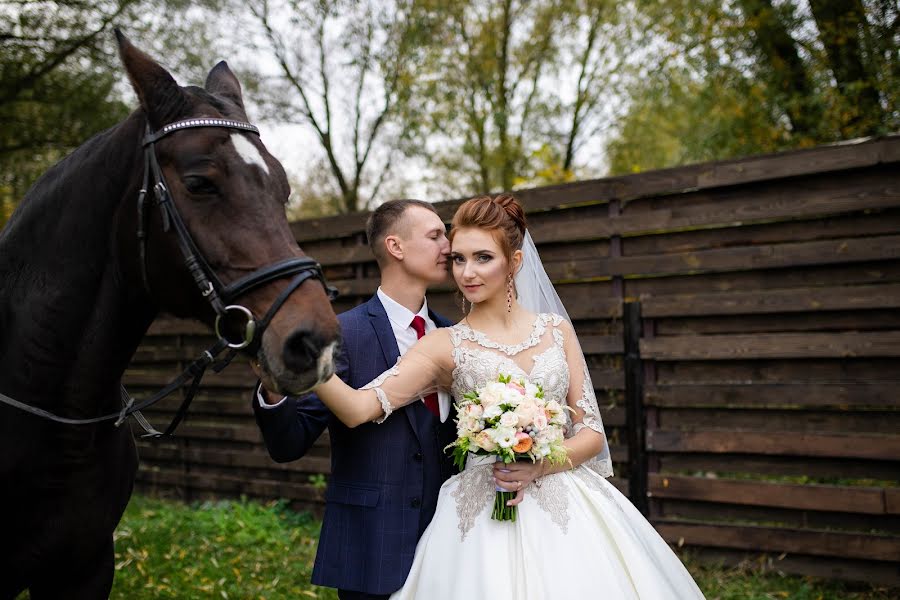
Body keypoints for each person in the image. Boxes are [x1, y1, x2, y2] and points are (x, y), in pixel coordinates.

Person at [311, 194, 706, 599]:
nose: (468, 272)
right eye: (459, 259)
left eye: (483, 257)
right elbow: (359, 408)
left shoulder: (556, 331)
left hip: (566, 504)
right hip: (479, 515)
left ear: (514, 262)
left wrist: (539, 467)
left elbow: (591, 434)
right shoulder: (442, 344)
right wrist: (307, 368)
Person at [252, 199, 459, 600]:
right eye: (435, 235)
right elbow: (288, 443)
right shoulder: (342, 334)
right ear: (396, 247)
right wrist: (273, 388)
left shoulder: (456, 335)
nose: (448, 246)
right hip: (371, 545)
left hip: (452, 543)